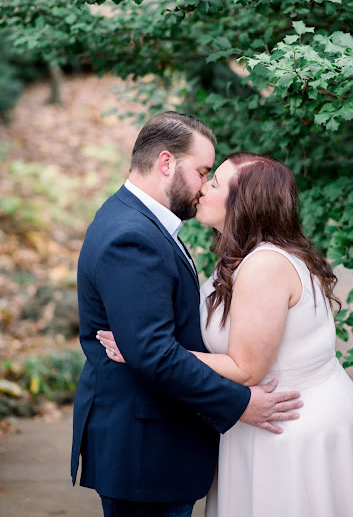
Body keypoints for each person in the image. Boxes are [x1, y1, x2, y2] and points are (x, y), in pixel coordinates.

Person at [100, 151, 353, 517]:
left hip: (289, 426)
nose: (202, 187)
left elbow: (246, 369)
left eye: (214, 182)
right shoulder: (245, 256)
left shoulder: (264, 265)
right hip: (264, 418)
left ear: (243, 204)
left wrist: (145, 350)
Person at [72, 113, 302, 517]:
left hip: (153, 445)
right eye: (202, 172)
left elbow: (150, 346)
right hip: (145, 451)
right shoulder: (133, 236)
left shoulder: (140, 221)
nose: (203, 186)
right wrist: (240, 403)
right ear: (166, 163)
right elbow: (154, 355)